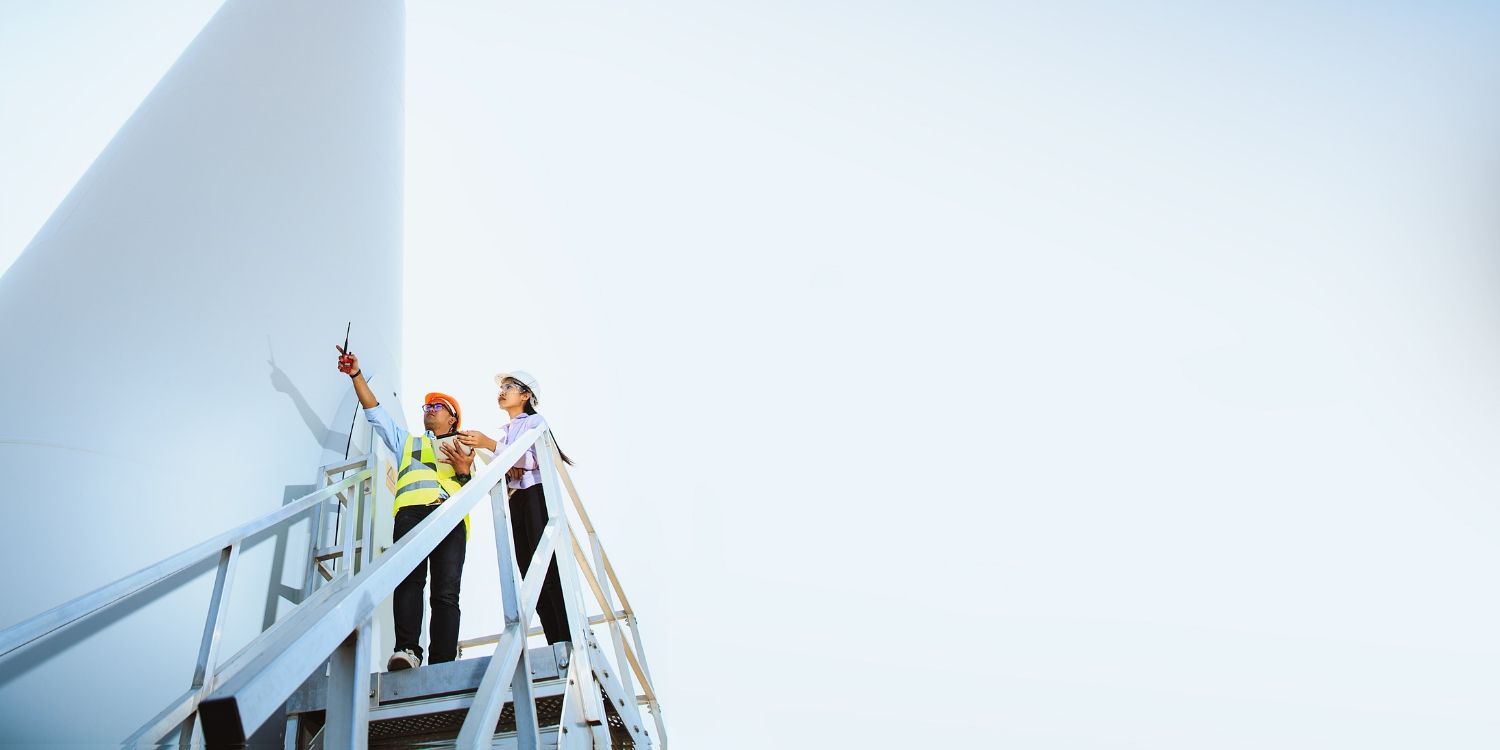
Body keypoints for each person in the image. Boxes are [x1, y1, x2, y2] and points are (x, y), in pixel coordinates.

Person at [335, 344, 475, 671]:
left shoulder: (466, 446)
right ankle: (408, 651)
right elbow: (376, 413)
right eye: (426, 405)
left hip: (450, 518)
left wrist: (464, 472)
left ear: (453, 418)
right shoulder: (408, 443)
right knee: (409, 581)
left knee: (445, 593)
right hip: (411, 515)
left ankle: (442, 663)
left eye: (437, 406)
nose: (429, 409)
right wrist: (355, 374)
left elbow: (472, 490)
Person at [457, 370, 573, 645]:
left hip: (535, 494)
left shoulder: (534, 421)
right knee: (528, 569)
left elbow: (528, 461)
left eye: (509, 386)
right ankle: (555, 640)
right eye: (502, 386)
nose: (503, 390)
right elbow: (508, 466)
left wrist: (488, 443)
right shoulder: (508, 432)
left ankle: (566, 638)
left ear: (525, 395)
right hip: (517, 499)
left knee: (545, 566)